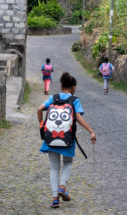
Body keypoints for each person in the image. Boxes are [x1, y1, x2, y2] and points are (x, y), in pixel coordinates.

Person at [37, 72, 96, 209]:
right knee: (68, 163)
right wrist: (91, 131)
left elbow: (39, 108)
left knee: (53, 167)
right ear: (73, 87)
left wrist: (41, 124)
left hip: (50, 137)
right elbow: (78, 118)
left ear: (61, 85)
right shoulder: (74, 100)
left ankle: (55, 199)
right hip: (67, 137)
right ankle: (62, 187)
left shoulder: (53, 97)